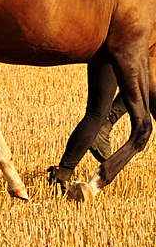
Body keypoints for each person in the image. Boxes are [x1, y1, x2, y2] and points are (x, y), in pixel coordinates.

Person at [48, 63, 127, 192]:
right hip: (112, 53)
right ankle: (62, 174)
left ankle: (62, 174)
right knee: (97, 114)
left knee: (145, 79)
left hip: (103, 53)